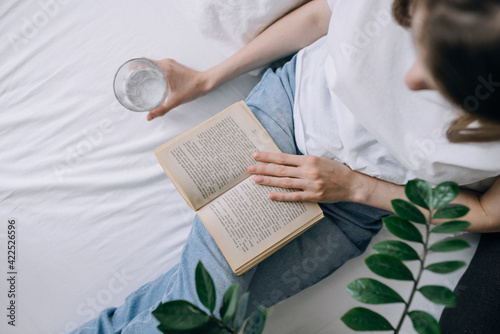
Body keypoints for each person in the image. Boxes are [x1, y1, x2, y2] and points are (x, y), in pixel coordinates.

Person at [74, 0, 500, 332]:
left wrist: (353, 187)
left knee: (192, 309)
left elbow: (486, 213)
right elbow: (320, 16)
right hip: (281, 127)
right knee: (205, 314)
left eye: (439, 84)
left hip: (362, 205)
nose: (410, 80)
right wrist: (207, 78)